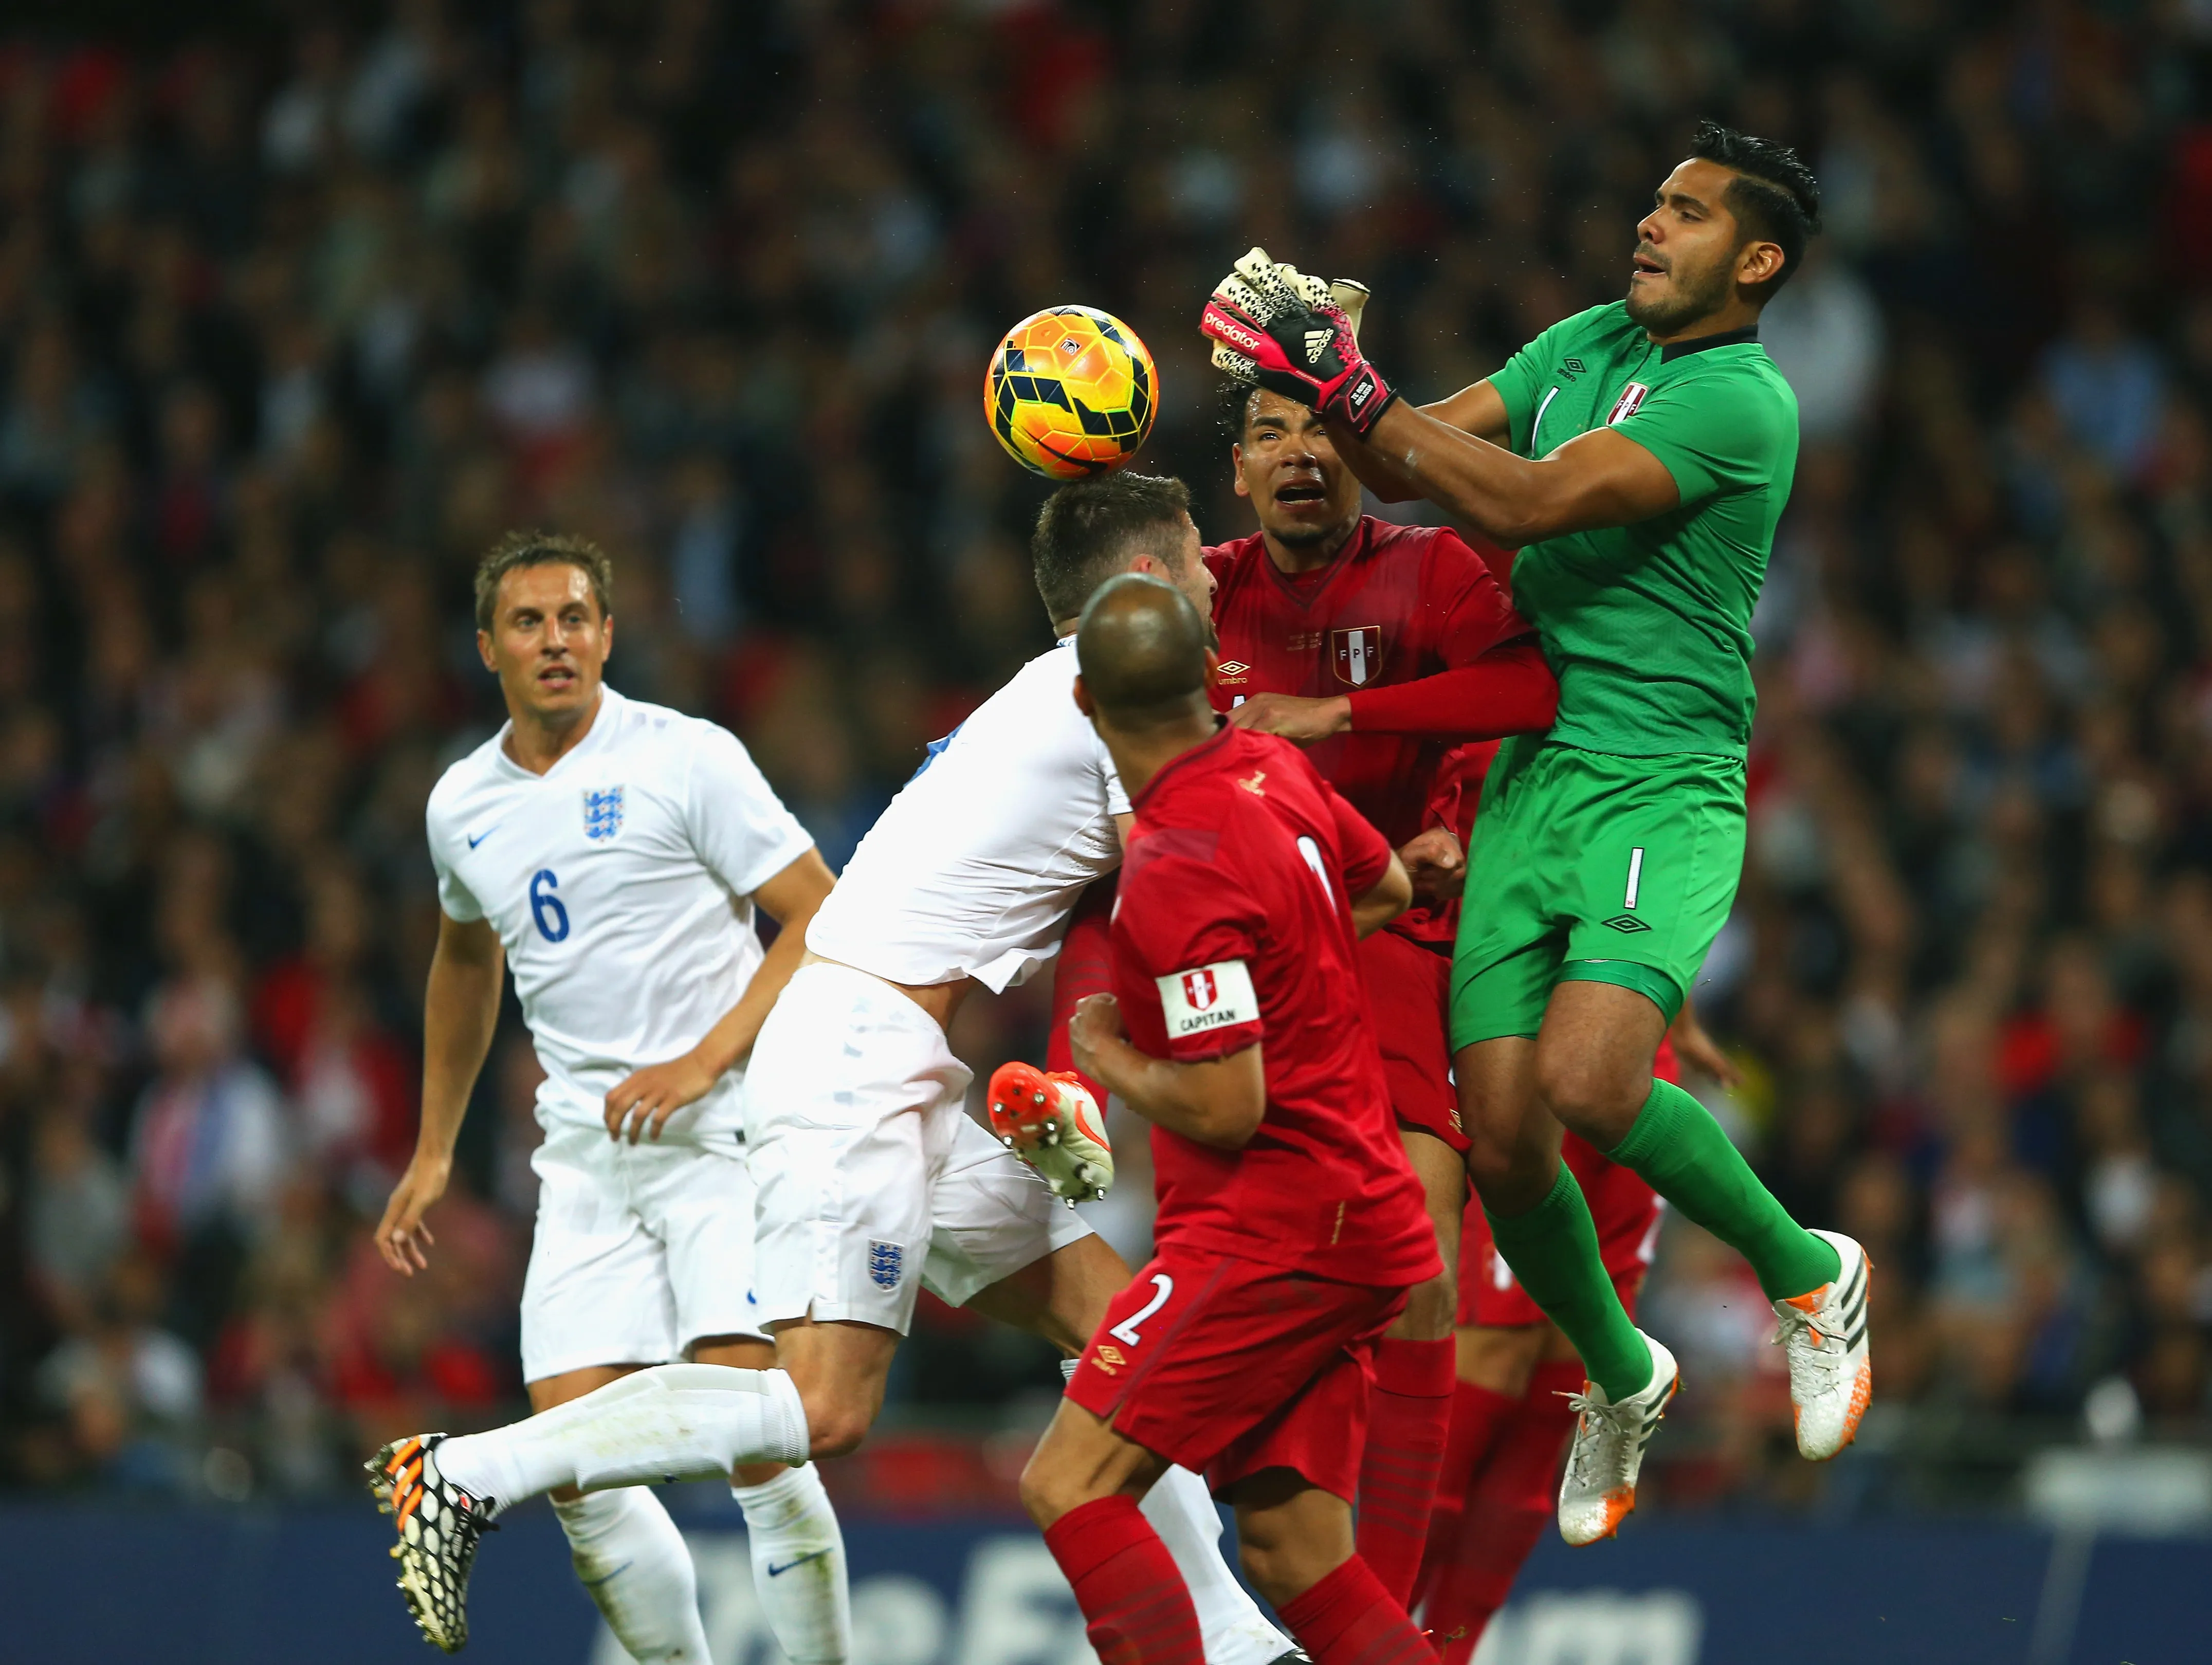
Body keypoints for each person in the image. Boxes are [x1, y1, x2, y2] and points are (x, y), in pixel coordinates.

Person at [367, 479, 1305, 1665]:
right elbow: (1184, 871)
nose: (1220, 585)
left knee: (1110, 1316)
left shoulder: (1046, 695)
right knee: (823, 1409)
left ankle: (1227, 1634)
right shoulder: (1102, 709)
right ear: (1158, 581)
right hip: (848, 1058)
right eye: (1201, 566)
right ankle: (465, 1469)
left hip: (877, 1052)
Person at [1198, 119, 1871, 1545]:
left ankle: (1807, 1269)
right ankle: (1623, 1374)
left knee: (1583, 1077)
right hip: (1529, 771)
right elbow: (1408, 460)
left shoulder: (1739, 402)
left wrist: (1348, 378)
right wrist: (1300, 380)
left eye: (1684, 215)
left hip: (1655, 773)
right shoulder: (1579, 343)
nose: (1648, 225)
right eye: (1650, 203)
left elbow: (1519, 499)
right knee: (1499, 1137)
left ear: (1753, 260)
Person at [368, 530, 849, 1660]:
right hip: (585, 1157)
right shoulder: (462, 804)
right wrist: (436, 1146)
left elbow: (822, 909)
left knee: (758, 1439)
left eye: (575, 618)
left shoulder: (686, 758)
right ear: (487, 648)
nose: (555, 641)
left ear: (608, 635)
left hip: (725, 1133)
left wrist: (707, 1058)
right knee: (582, 1473)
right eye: (529, 623)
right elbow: (466, 957)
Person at [1019, 570, 1438, 1665]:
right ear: (1209, 679)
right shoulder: (1274, 766)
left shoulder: (1172, 862)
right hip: (1361, 1207)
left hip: (1274, 1228)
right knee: (1295, 1551)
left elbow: (1226, 1100)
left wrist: (1111, 1049)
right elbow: (1388, 883)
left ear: (1084, 706)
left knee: (1069, 1483)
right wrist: (1287, 969)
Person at [1199, 381, 1557, 1604]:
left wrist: (1340, 714)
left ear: (1360, 452)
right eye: (1269, 434)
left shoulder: (1431, 565)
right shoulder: (1200, 589)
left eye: (1320, 429)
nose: (1300, 452)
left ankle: (1389, 1607)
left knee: (1417, 1262)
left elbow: (1529, 690)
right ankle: (1279, 1588)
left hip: (1396, 939)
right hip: (1245, 966)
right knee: (1234, 1281)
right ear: (1237, 469)